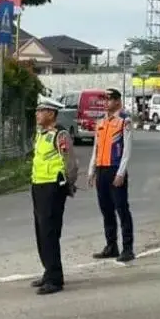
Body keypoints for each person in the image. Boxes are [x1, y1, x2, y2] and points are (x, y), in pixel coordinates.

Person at [31, 95, 79, 295]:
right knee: (41, 233)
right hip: (38, 186)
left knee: (50, 233)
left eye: (41, 111)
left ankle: (55, 278)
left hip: (53, 188)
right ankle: (48, 270)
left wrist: (69, 184)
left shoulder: (60, 135)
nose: (37, 114)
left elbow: (71, 163)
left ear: (51, 113)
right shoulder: (41, 134)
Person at [88, 88, 136, 262]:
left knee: (121, 209)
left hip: (115, 169)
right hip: (102, 169)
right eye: (104, 99)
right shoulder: (101, 122)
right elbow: (96, 147)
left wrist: (121, 172)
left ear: (117, 101)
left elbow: (127, 150)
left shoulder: (124, 121)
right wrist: (91, 170)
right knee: (106, 209)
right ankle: (111, 245)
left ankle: (128, 248)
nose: (106, 102)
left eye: (109, 99)